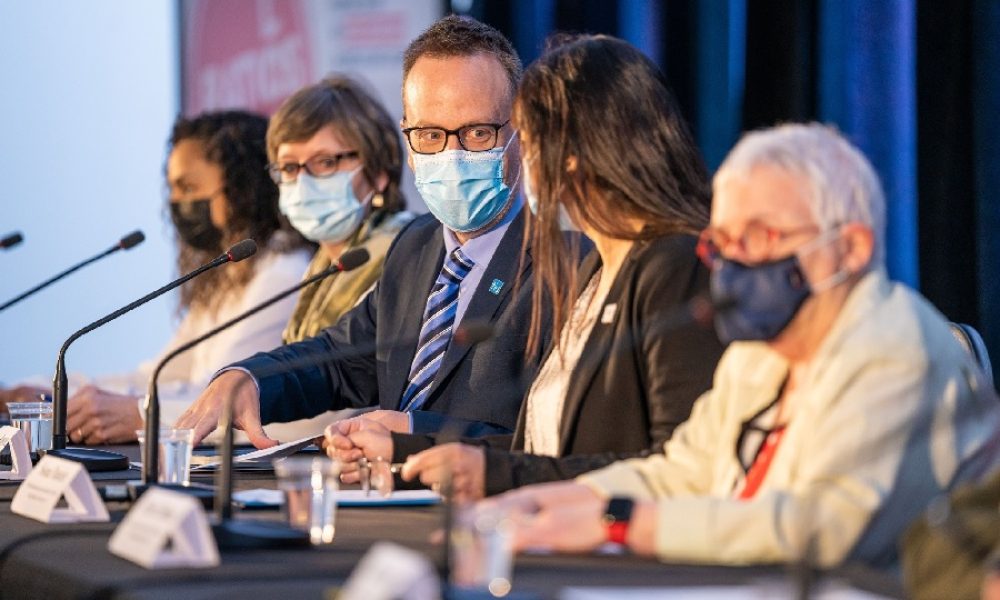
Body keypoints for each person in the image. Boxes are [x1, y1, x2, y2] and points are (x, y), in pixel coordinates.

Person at [475, 123, 1000, 571]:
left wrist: (618, 522)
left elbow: (822, 526)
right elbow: (686, 468)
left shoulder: (897, 349)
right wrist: (562, 500)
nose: (733, 262)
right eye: (723, 241)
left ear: (851, 248)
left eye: (759, 236)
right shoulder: (762, 352)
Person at [327, 35, 725, 501]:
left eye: (529, 144)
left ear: (577, 156)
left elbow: (678, 466)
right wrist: (404, 450)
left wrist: (497, 476)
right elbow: (549, 447)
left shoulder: (674, 266)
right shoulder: (592, 270)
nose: (522, 164)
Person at [176, 15, 543, 449]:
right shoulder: (417, 246)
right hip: (379, 502)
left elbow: (552, 445)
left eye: (478, 133)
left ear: (522, 134)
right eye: (429, 134)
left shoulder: (565, 260)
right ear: (408, 142)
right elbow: (341, 361)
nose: (452, 154)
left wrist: (413, 435)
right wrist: (248, 379)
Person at [63, 111, 313, 444]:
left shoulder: (283, 271)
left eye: (189, 187)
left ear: (242, 188)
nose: (176, 203)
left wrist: (142, 414)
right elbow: (160, 376)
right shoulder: (223, 275)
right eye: (173, 190)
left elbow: (221, 399)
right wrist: (61, 393)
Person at [268, 76, 414, 344]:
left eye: (325, 162)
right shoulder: (322, 263)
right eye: (289, 167)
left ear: (378, 170)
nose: (303, 182)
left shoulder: (407, 255)